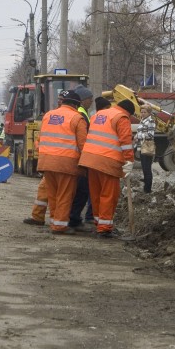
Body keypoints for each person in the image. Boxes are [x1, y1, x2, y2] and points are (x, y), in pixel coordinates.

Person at [22, 90, 87, 234]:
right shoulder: (77, 118)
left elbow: (43, 138)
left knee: (52, 194)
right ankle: (59, 226)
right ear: (76, 105)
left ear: (63, 102)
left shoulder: (48, 116)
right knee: (64, 195)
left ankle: (54, 221)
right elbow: (83, 145)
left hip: (46, 162)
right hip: (66, 164)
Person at [79, 98, 136, 239]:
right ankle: (104, 229)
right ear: (129, 113)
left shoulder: (99, 114)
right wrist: (129, 161)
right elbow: (126, 142)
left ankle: (99, 224)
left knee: (96, 194)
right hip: (107, 161)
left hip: (90, 160)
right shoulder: (122, 117)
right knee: (108, 195)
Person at [68, 86, 96, 231]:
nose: (91, 101)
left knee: (78, 190)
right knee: (82, 190)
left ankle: (72, 217)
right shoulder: (81, 115)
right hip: (79, 159)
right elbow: (82, 140)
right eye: (90, 99)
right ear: (83, 100)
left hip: (75, 158)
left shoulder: (82, 113)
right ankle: (74, 219)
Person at [134, 104, 157, 194]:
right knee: (144, 168)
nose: (142, 113)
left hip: (147, 147)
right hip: (141, 147)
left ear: (149, 112)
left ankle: (148, 190)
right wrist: (136, 136)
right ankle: (146, 187)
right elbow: (140, 131)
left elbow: (150, 135)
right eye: (142, 112)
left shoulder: (150, 121)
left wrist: (138, 136)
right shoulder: (143, 120)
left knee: (147, 169)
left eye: (145, 112)